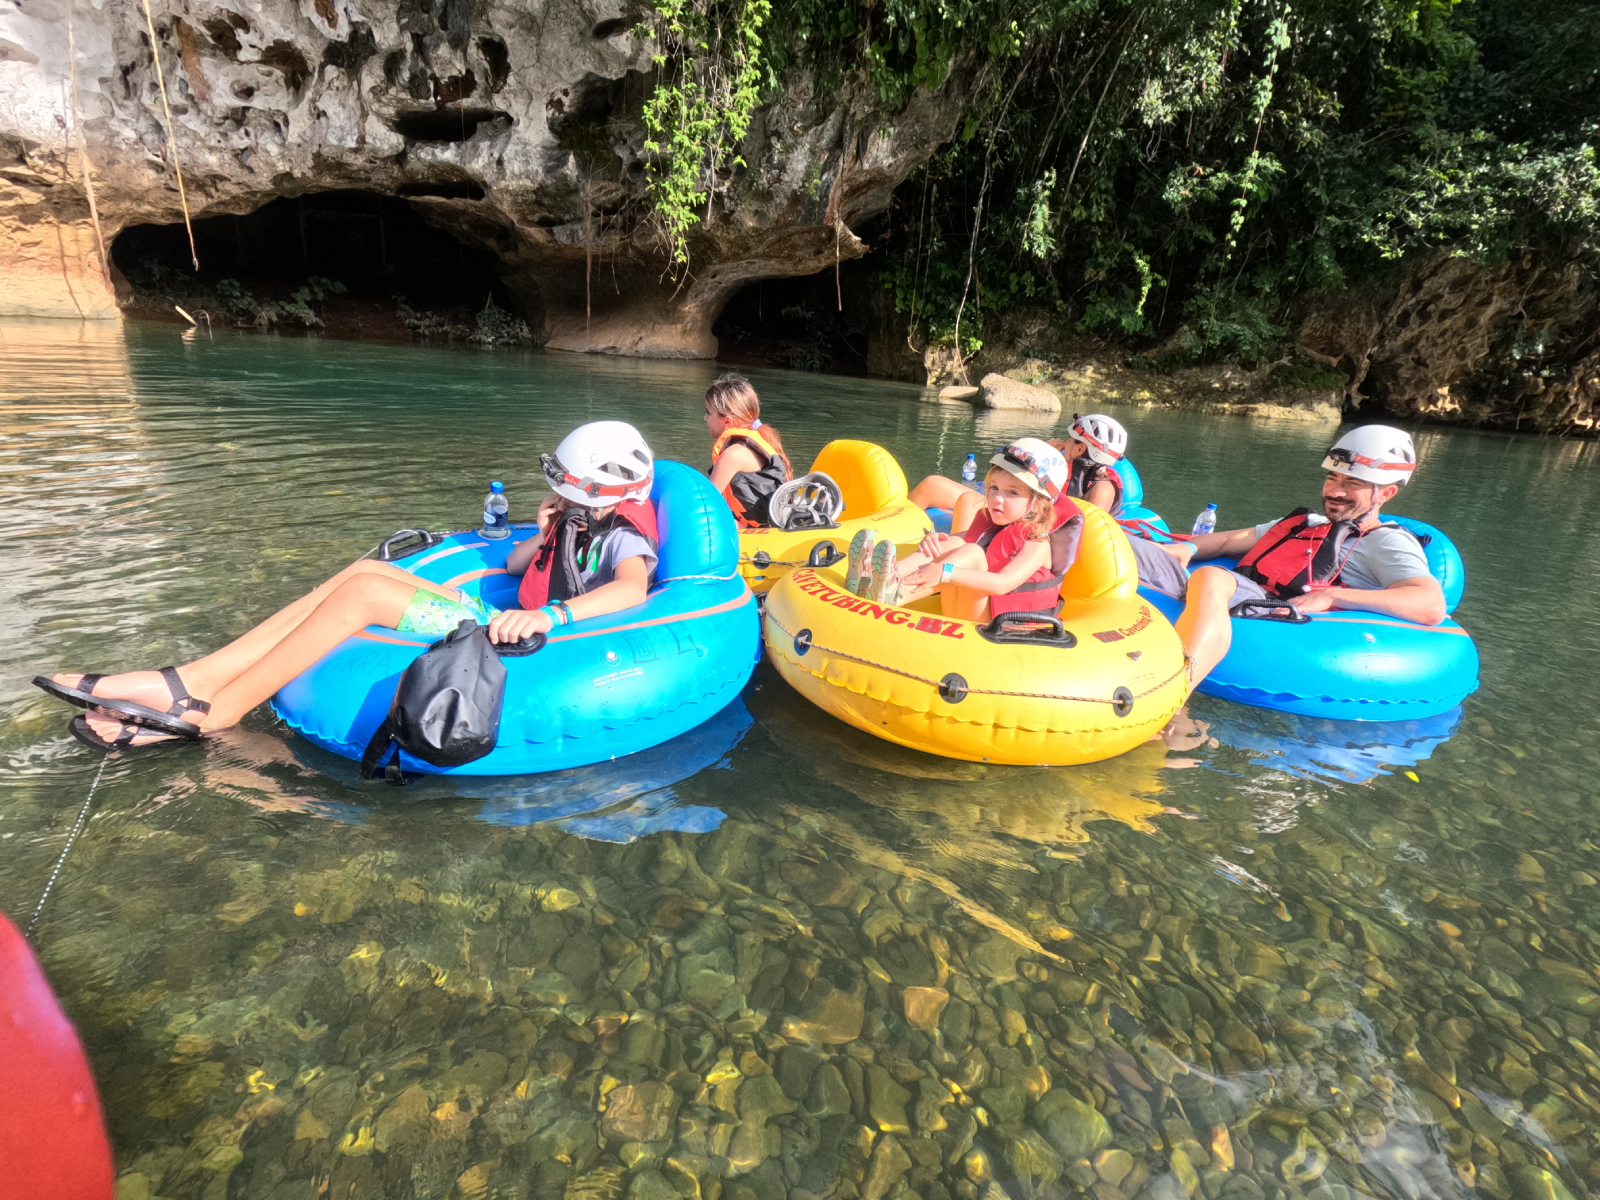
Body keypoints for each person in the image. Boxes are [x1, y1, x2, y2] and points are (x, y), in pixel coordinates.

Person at [34, 422, 661, 752]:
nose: (562, 494)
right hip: (488, 616)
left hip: (511, 639)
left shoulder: (626, 537)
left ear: (608, 491)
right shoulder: (579, 518)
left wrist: (553, 617)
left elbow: (632, 590)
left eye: (571, 487)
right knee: (363, 573)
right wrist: (545, 529)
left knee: (365, 595)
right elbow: (522, 566)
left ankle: (215, 709)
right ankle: (189, 680)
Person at [1128, 425, 1445, 689]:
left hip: (1270, 607)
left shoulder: (1387, 541)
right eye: (1332, 478)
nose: (1335, 491)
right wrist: (1189, 549)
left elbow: (1430, 605)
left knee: (1211, 576)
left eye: (1353, 484)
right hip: (1226, 587)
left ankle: (1174, 693)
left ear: (1386, 494)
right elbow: (1229, 540)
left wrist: (1334, 594)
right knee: (1112, 539)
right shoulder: (1308, 524)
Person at [847, 438, 1083, 621]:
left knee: (972, 552)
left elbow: (1002, 583)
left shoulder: (1038, 544)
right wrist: (933, 540)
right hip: (963, 610)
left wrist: (944, 572)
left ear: (1039, 502)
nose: (997, 499)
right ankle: (882, 577)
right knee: (954, 543)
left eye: (1012, 492)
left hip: (991, 625)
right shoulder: (994, 525)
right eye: (994, 488)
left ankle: (894, 593)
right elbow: (954, 544)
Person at [907, 412, 1130, 533]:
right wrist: (1047, 456)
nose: (1064, 441)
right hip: (1017, 505)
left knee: (962, 500)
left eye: (1070, 440)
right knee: (932, 485)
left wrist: (1048, 458)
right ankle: (891, 524)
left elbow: (1085, 528)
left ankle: (954, 561)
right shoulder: (1065, 463)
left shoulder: (1102, 487)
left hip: (1027, 517)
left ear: (1081, 447)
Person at [703, 372, 792, 527]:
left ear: (727, 421)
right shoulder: (763, 439)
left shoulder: (734, 454)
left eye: (708, 413)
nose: (705, 418)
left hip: (757, 533)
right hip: (767, 525)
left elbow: (705, 504)